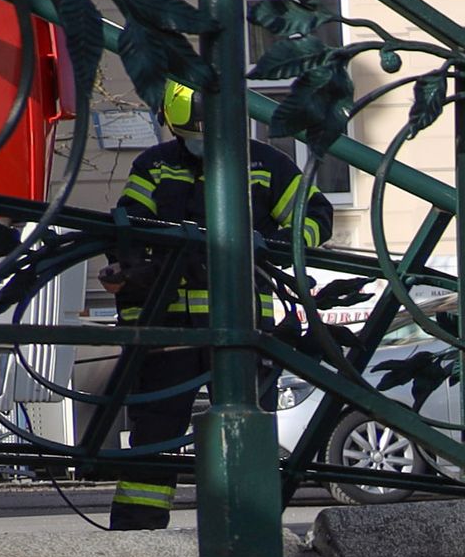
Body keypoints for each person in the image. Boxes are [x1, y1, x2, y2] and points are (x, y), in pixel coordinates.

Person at [93, 80, 321, 531]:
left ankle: (248, 526)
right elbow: (127, 229)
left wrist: (266, 248)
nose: (200, 143)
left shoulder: (266, 164)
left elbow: (313, 220)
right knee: (155, 431)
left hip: (242, 327)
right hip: (168, 326)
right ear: (172, 127)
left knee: (246, 430)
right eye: (189, 134)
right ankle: (138, 534)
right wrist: (130, 269)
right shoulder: (154, 165)